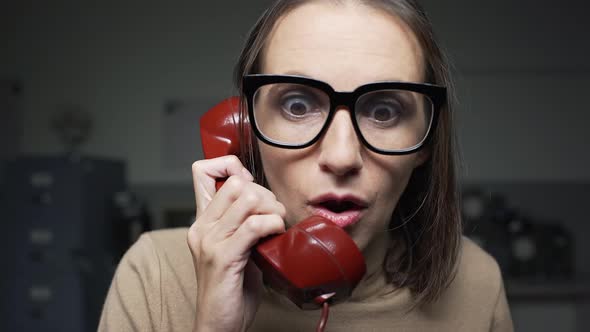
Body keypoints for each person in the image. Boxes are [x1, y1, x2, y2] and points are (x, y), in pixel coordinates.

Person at [98, 0, 514, 331]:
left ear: (426, 140)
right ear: (247, 130)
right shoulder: (154, 277)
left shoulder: (475, 284)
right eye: (297, 105)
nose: (341, 157)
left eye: (385, 111)